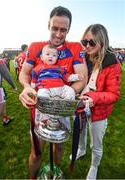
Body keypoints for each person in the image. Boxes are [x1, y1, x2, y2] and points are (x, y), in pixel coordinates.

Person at [19, 6, 88, 179]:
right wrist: (27, 87)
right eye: (54, 28)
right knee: (37, 150)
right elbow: (25, 73)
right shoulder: (36, 47)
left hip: (63, 105)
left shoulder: (74, 47)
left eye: (63, 30)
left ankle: (55, 172)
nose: (58, 34)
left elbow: (82, 78)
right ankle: (33, 178)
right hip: (40, 105)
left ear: (69, 29)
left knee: (60, 146)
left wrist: (61, 99)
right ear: (48, 24)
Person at [70, 24, 122, 180]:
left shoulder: (112, 63)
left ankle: (94, 166)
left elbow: (114, 94)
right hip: (79, 105)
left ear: (102, 41)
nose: (87, 46)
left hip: (99, 111)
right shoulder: (82, 58)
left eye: (92, 42)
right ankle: (80, 150)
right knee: (79, 131)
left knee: (96, 143)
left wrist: (94, 98)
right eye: (84, 41)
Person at [0, 40, 17, 128]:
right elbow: (7, 75)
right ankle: (4, 118)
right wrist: (14, 86)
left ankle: (6, 119)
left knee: (3, 102)